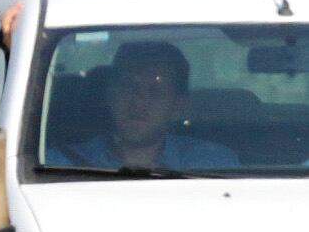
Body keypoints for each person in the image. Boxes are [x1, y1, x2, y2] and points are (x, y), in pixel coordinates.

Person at [62, 40, 239, 171]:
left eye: (156, 92)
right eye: (129, 87)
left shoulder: (213, 163)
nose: (139, 101)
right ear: (109, 95)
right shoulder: (60, 164)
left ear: (178, 105)